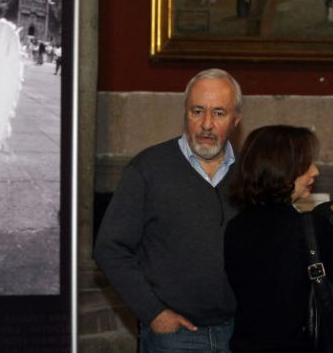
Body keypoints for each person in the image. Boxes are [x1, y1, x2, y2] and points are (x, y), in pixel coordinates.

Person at [94, 68, 244, 353]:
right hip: (173, 338)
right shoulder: (148, 169)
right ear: (184, 113)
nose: (207, 124)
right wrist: (153, 313)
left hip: (239, 333)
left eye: (219, 113)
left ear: (236, 119)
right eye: (197, 111)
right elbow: (109, 248)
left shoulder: (251, 173)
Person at [224, 125, 333, 353]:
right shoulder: (311, 228)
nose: (315, 171)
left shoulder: (235, 228)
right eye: (306, 164)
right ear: (282, 168)